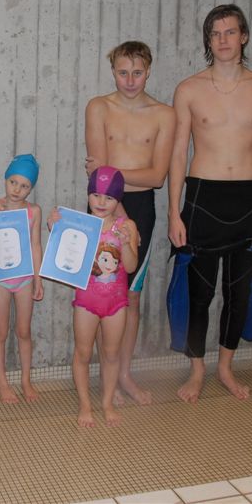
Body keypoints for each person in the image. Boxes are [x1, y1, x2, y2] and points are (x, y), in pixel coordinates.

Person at [167, 4, 252, 402]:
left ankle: (226, 367)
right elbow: (178, 152)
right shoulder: (189, 89)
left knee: (239, 292)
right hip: (202, 197)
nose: (223, 40)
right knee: (199, 292)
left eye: (230, 32)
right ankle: (197, 369)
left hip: (248, 199)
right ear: (208, 40)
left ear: (244, 36)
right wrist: (173, 211)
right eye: (215, 34)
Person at [84, 41, 175, 405]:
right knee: (98, 291)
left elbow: (157, 176)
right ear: (113, 72)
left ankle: (123, 373)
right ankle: (104, 374)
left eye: (137, 72)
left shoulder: (164, 114)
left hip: (141, 208)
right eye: (123, 72)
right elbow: (100, 179)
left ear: (148, 71)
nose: (130, 80)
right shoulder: (99, 107)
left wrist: (113, 173)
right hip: (101, 207)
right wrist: (116, 211)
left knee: (131, 296)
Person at [49, 167, 139, 428]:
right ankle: (85, 404)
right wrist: (56, 228)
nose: (101, 202)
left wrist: (126, 243)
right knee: (83, 353)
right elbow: (62, 257)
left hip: (116, 303)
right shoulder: (80, 225)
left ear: (118, 199)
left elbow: (131, 267)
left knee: (111, 354)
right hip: (86, 302)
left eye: (109, 198)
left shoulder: (127, 226)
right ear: (88, 194)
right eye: (96, 195)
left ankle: (107, 403)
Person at [0, 154, 44, 404]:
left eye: (24, 186)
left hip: (25, 278)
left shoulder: (33, 211)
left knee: (23, 331)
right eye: (13, 182)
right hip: (1, 278)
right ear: (5, 180)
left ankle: (26, 380)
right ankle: (2, 382)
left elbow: (35, 245)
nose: (17, 189)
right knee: (0, 331)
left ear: (31, 188)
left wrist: (38, 279)